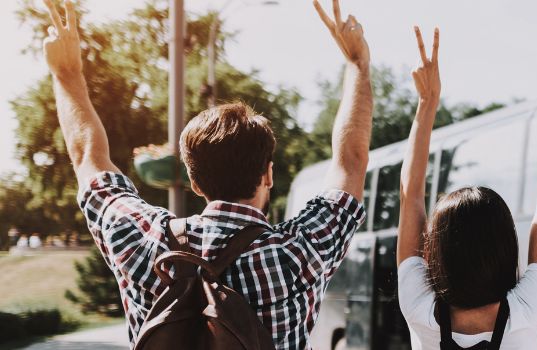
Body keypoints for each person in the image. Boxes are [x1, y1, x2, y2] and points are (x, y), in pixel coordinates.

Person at [41, 0, 374, 347]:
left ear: (194, 182)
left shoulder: (143, 241)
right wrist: (358, 64)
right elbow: (351, 161)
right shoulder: (296, 252)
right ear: (268, 175)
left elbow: (88, 158)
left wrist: (67, 73)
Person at [394, 29, 537, 349]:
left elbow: (410, 195)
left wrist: (426, 102)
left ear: (436, 251)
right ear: (505, 247)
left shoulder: (419, 309)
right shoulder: (525, 312)